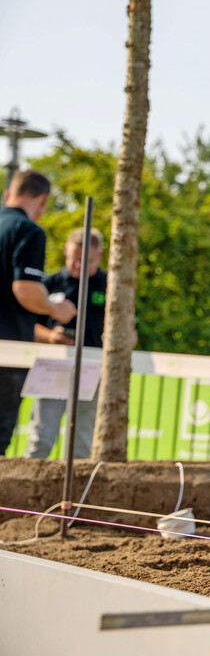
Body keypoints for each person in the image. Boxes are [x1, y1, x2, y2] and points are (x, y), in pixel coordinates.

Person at [0, 170, 77, 456]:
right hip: (7, 353)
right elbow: (26, 290)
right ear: (43, 201)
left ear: (9, 193)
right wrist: (56, 308)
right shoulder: (28, 231)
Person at [24, 228, 108, 459]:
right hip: (53, 367)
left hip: (91, 369)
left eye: (87, 261)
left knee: (81, 442)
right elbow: (27, 325)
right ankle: (30, 492)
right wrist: (51, 337)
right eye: (74, 259)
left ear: (99, 256)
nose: (79, 266)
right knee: (41, 437)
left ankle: (78, 493)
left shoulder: (111, 286)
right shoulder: (47, 284)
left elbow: (130, 333)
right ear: (65, 252)